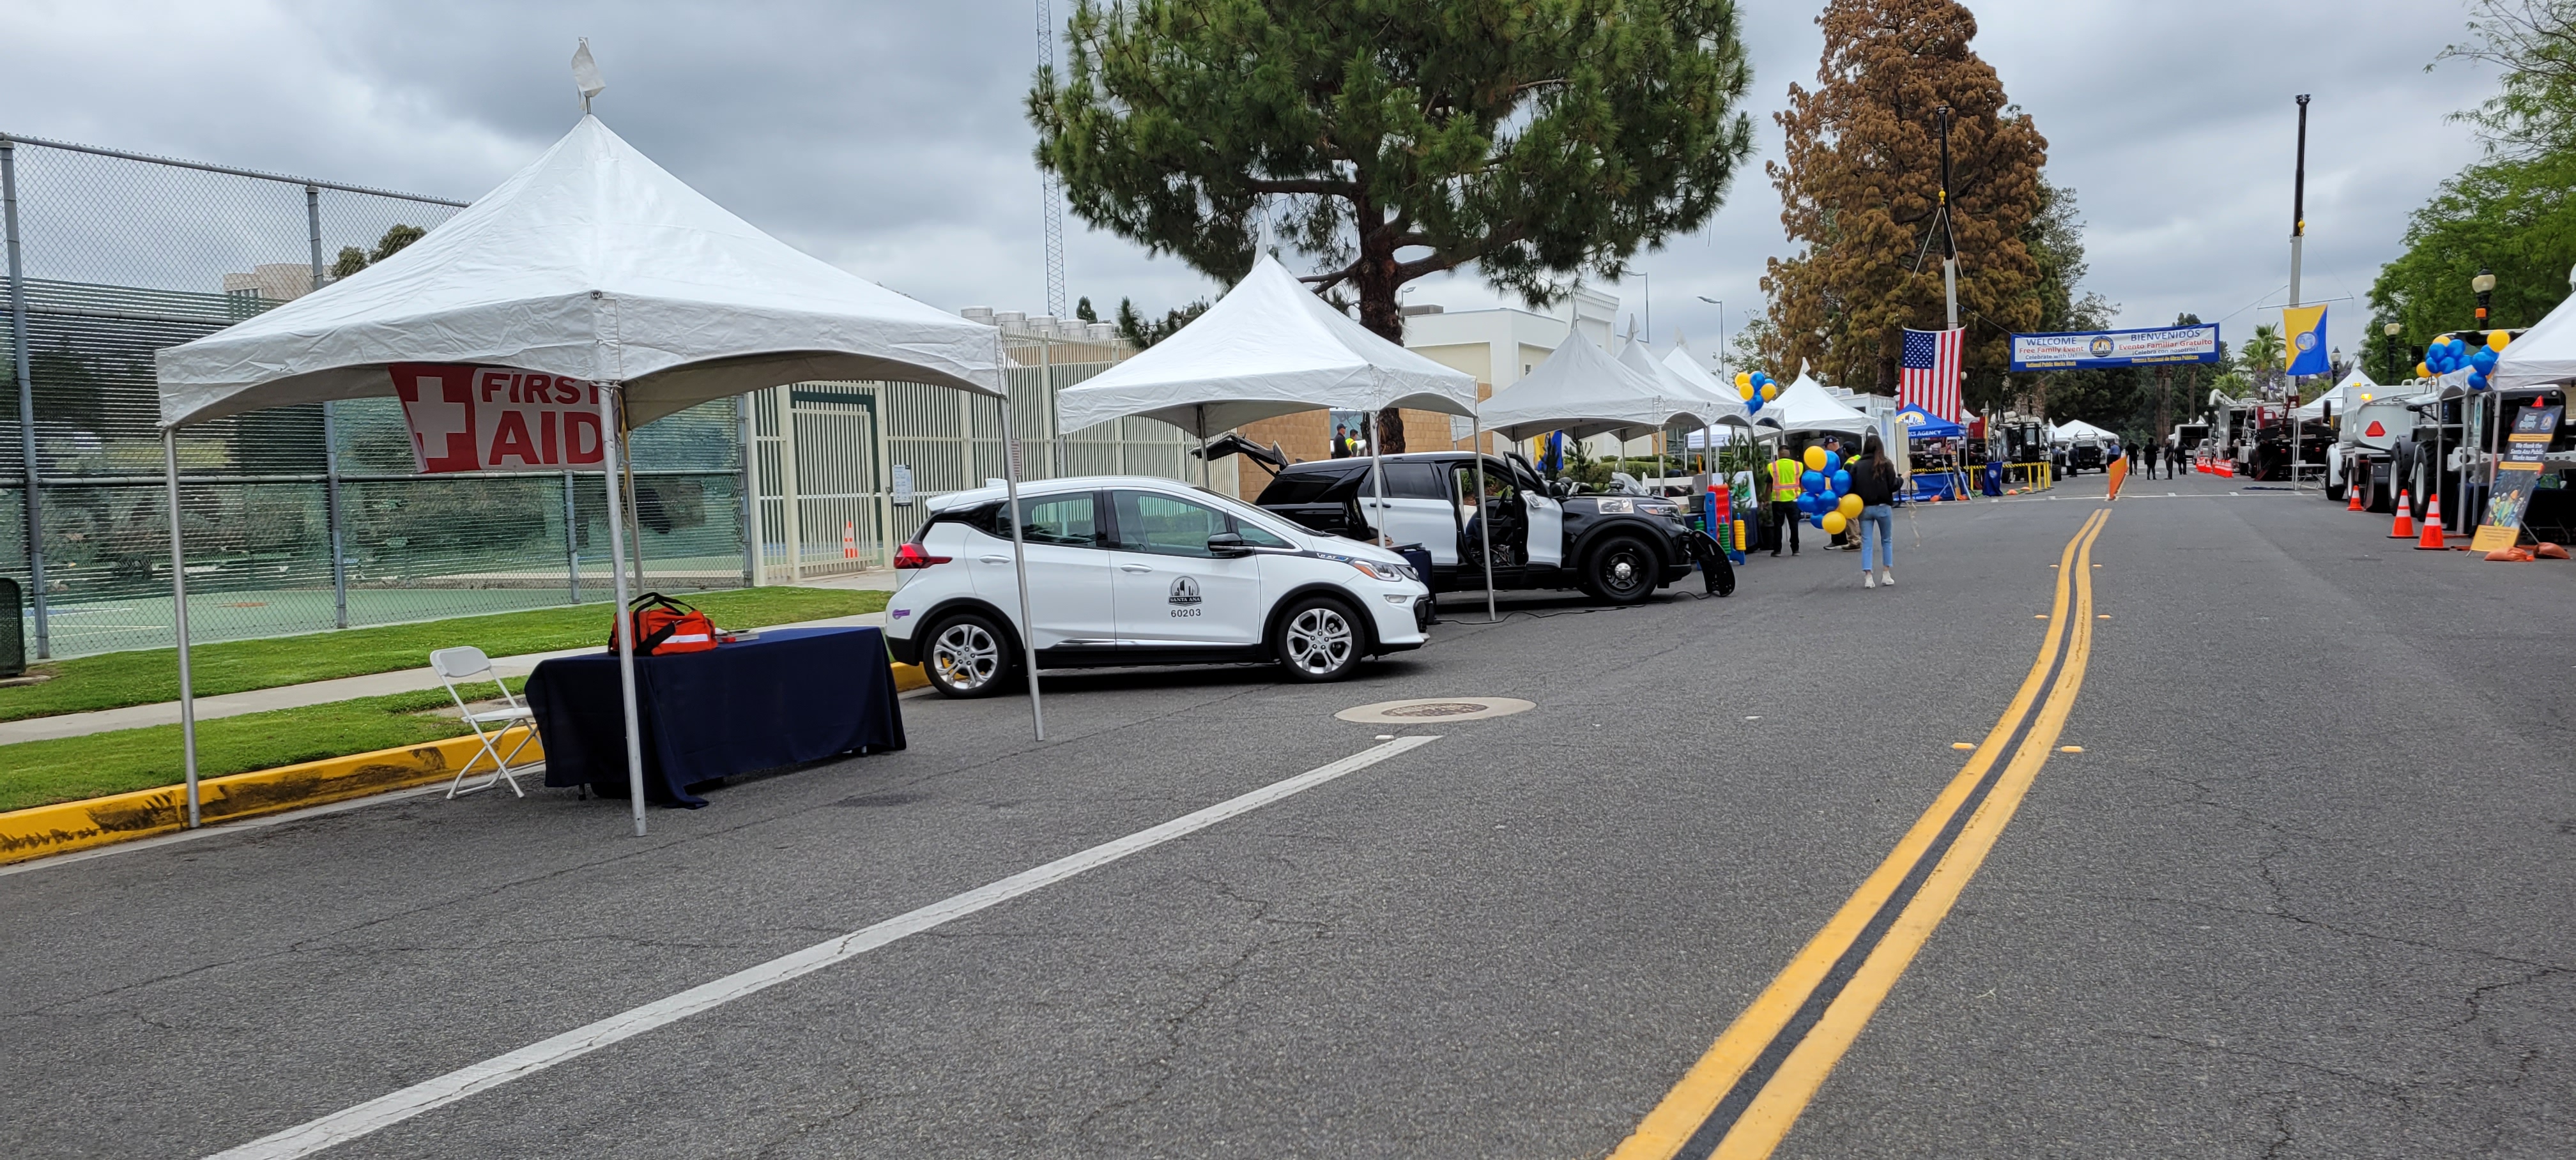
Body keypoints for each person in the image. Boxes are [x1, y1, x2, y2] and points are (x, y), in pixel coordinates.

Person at [1850, 432, 1901, 588]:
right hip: (1883, 507)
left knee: (1867, 542)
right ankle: (1886, 574)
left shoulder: (1857, 465)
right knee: (1887, 540)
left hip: (1864, 508)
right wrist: (1902, 478)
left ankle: (1868, 577)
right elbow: (1893, 485)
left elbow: (1851, 488)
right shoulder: (1886, 463)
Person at [1767, 444, 1802, 556]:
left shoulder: (1773, 466)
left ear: (1779, 454)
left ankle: (1777, 550)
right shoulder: (1798, 465)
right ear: (1789, 454)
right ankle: (1795, 549)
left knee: (1778, 526)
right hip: (1794, 500)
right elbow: (1801, 482)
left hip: (1778, 501)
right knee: (1794, 526)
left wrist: (1765, 499)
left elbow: (1769, 485)